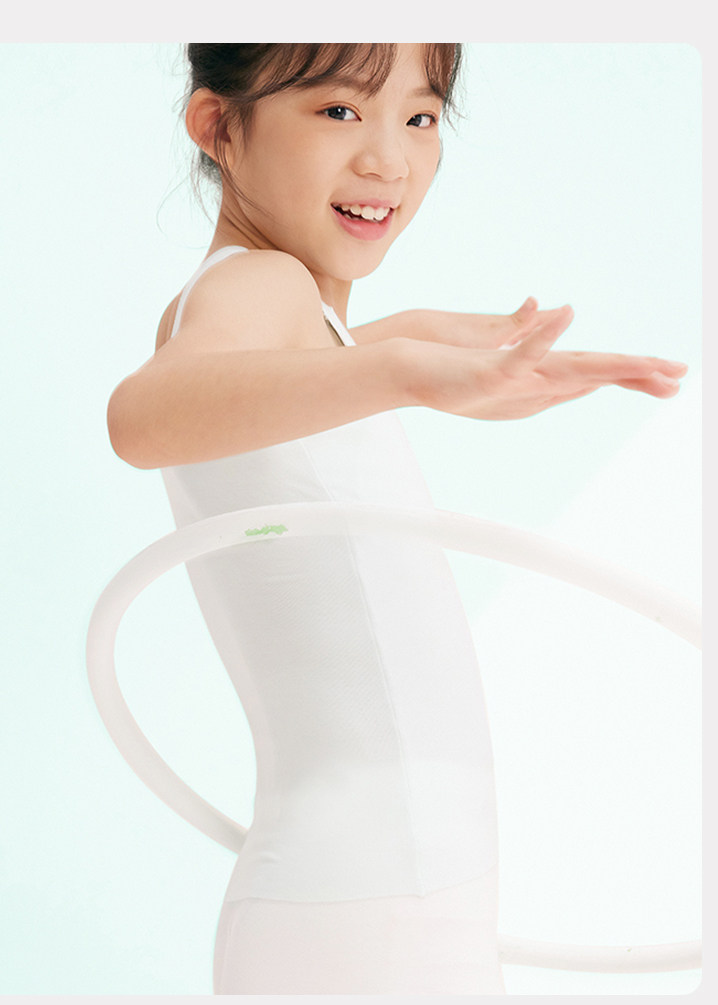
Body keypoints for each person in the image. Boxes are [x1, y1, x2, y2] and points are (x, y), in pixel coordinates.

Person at [106, 43, 687, 995]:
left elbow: (278, 385)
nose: (388, 160)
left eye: (420, 118)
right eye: (339, 111)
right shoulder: (258, 285)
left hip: (392, 884)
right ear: (218, 127)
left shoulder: (287, 316)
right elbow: (142, 416)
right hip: (368, 892)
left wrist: (398, 337)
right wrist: (405, 368)